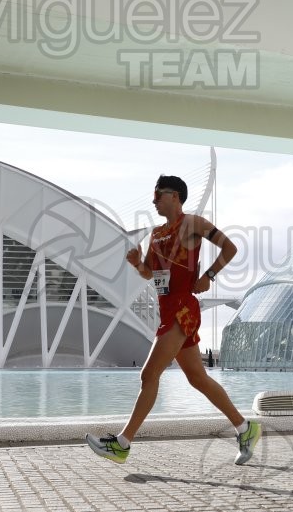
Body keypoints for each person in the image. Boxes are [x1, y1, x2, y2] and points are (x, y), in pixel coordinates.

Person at [86, 175, 261, 465]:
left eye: (159, 195)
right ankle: (245, 428)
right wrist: (137, 264)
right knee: (198, 378)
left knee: (148, 375)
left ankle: (122, 443)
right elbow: (149, 275)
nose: (154, 201)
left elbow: (230, 248)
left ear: (175, 196)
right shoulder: (155, 235)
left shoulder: (193, 224)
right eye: (154, 196)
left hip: (183, 309)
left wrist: (209, 276)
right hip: (166, 310)